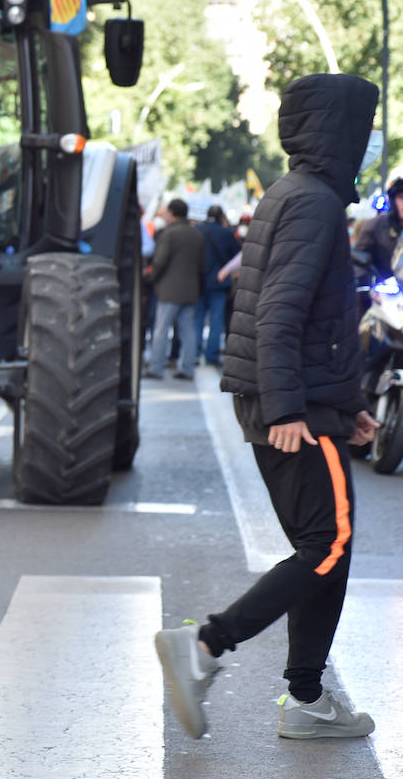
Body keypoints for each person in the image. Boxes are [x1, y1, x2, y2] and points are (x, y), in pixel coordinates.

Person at [154, 73, 382, 741]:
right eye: (362, 133)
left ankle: (307, 700)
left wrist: (346, 408)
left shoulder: (294, 194)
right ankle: (206, 647)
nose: (367, 147)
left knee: (323, 548)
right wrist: (290, 410)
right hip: (291, 407)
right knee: (328, 543)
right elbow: (279, 315)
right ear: (339, 134)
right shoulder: (312, 203)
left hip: (302, 402)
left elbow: (305, 320)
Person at [144, 198, 205, 380]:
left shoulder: (169, 234)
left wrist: (152, 278)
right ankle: (188, 369)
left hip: (169, 290)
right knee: (188, 331)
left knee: (161, 330)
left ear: (172, 213)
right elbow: (202, 265)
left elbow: (160, 261)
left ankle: (156, 368)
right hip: (190, 290)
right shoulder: (196, 234)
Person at [193, 205, 241, 367]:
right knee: (216, 320)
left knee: (197, 318)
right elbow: (238, 254)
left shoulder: (198, 230)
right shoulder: (226, 233)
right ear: (222, 217)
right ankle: (211, 356)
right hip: (219, 282)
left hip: (199, 281)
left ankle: (194, 352)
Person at [354, 175, 403, 284]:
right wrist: (368, 285)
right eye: (401, 197)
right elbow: (358, 261)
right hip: (385, 291)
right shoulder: (375, 225)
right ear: (393, 199)